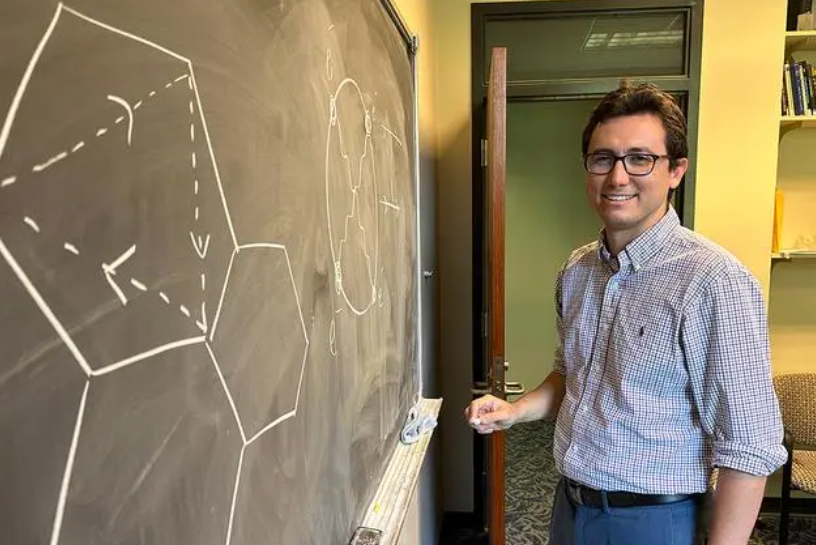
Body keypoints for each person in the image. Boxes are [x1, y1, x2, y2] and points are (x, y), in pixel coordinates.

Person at [464, 80, 787, 545]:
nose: (617, 178)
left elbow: (749, 444)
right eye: (603, 159)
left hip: (654, 520)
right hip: (570, 506)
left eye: (640, 159)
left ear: (676, 171)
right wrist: (515, 411)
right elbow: (569, 377)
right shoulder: (578, 270)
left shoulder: (713, 280)